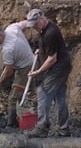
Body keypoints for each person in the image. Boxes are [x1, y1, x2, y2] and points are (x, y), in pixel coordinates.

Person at [25, 9, 72, 137]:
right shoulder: (46, 27)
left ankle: (42, 127)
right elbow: (49, 47)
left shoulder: (50, 33)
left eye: (35, 24)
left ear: (41, 19)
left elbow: (52, 58)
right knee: (60, 97)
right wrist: (40, 50)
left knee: (43, 92)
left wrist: (38, 71)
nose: (34, 27)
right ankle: (64, 128)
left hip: (58, 68)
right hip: (63, 66)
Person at [0, 21, 35, 128]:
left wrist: (0, 83)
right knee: (33, 93)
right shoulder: (12, 28)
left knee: (13, 98)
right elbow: (25, 23)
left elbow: (9, 71)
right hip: (33, 61)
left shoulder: (8, 49)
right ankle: (40, 118)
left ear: (1, 35)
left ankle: (11, 123)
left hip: (24, 69)